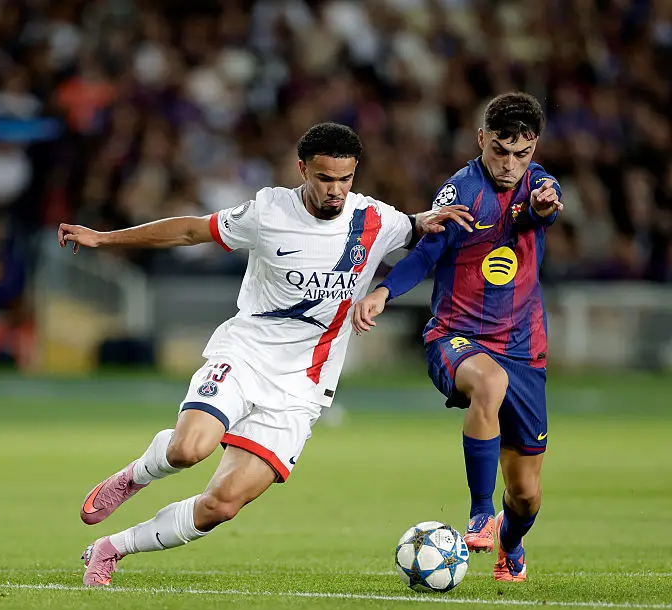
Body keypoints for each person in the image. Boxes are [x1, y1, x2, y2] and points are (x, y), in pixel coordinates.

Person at [57, 122, 474, 586]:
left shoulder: (376, 220)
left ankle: (111, 549)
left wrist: (433, 222)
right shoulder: (268, 209)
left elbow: (419, 231)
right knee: (189, 448)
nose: (335, 190)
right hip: (246, 355)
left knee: (222, 504)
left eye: (345, 179)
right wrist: (105, 238)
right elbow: (193, 231)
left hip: (303, 386)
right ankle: (136, 475)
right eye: (324, 178)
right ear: (303, 170)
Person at [351, 93, 564, 582]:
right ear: (481, 139)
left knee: (528, 495)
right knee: (487, 383)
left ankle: (510, 544)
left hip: (524, 349)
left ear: (533, 148)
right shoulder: (460, 193)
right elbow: (425, 256)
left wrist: (540, 207)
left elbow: (539, 211)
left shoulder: (541, 184)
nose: (511, 165)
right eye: (500, 152)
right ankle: (479, 512)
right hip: (456, 337)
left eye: (522, 154)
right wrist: (383, 291)